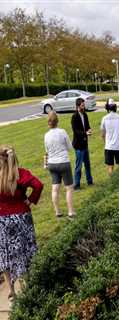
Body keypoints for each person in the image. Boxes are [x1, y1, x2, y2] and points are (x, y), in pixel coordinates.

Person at [0, 146, 43, 301]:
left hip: (2, 220)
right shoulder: (21, 174)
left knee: (5, 255)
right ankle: (29, 285)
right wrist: (30, 200)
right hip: (22, 218)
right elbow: (38, 185)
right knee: (25, 251)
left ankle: (12, 291)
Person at [43, 112, 75, 218]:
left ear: (48, 122)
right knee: (69, 188)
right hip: (63, 162)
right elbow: (70, 147)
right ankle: (70, 211)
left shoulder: (46, 135)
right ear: (57, 121)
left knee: (55, 188)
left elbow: (47, 150)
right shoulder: (62, 132)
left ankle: (57, 211)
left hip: (52, 164)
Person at [71, 98, 93, 190]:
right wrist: (85, 133)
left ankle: (89, 181)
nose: (84, 106)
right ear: (78, 106)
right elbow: (76, 131)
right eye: (82, 105)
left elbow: (87, 126)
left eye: (84, 105)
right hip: (78, 146)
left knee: (87, 164)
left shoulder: (85, 114)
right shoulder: (74, 116)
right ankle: (76, 185)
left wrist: (89, 130)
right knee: (78, 166)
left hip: (85, 144)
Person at [100, 99, 119, 176]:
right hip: (118, 146)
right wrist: (118, 140)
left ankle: (112, 183)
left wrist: (106, 142)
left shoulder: (104, 118)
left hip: (108, 147)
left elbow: (102, 134)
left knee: (110, 167)